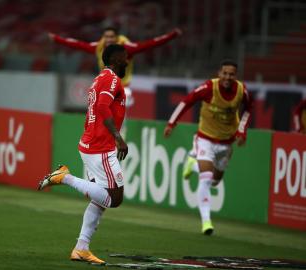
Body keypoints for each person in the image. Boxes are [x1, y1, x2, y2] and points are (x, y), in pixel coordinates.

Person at [38, 44, 128, 264]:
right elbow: (103, 108)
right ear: (116, 59)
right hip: (101, 147)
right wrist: (118, 137)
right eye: (125, 58)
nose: (128, 61)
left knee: (99, 201)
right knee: (114, 199)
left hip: (92, 144)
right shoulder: (112, 79)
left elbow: (95, 109)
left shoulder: (100, 79)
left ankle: (81, 248)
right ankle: (64, 177)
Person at [163, 59, 253, 235]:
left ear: (236, 76)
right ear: (219, 73)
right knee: (206, 179)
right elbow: (187, 101)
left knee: (215, 181)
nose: (227, 77)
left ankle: (192, 164)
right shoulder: (208, 88)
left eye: (231, 74)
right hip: (206, 139)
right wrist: (171, 123)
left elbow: (249, 108)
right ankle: (206, 222)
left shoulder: (242, 91)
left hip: (227, 143)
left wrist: (242, 131)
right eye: (224, 73)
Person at [49, 26, 182, 137]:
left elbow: (151, 44)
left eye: (112, 37)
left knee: (124, 99)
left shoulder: (127, 49)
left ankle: (121, 132)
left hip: (123, 87)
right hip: (105, 87)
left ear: (117, 38)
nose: (108, 39)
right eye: (106, 36)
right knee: (98, 106)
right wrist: (56, 39)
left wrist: (172, 35)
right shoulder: (99, 48)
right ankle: (96, 132)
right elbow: (77, 44)